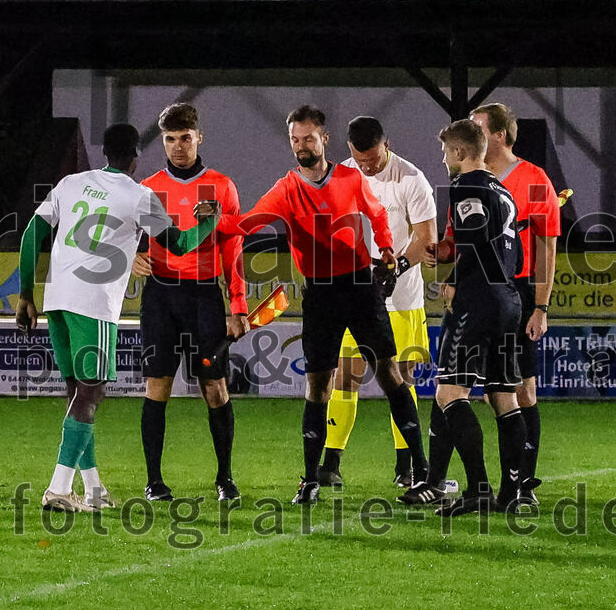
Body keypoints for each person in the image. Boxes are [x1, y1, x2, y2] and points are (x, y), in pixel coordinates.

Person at [217, 105, 429, 505]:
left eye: (308, 139)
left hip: (361, 287)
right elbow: (246, 225)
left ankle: (421, 470)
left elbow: (377, 213)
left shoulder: (349, 177)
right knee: (319, 385)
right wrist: (217, 222)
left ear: (324, 139)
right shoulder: (286, 188)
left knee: (390, 374)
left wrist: (385, 248)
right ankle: (312, 478)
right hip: (320, 295)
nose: (301, 146)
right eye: (295, 140)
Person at [16, 122, 219, 513]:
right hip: (94, 305)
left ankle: (92, 489)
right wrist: (208, 222)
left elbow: (30, 234)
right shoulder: (140, 196)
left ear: (105, 151)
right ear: (136, 157)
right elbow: (178, 244)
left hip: (56, 300)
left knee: (77, 393)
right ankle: (58, 488)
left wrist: (25, 294)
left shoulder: (70, 183)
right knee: (91, 392)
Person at [402, 118, 527, 516]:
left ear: (459, 153)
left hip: (479, 301)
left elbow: (471, 242)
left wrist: (454, 280)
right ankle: (514, 492)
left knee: (448, 392)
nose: (443, 159)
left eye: (445, 152)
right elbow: (517, 253)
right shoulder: (501, 188)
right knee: (503, 395)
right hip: (509, 298)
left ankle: (477, 489)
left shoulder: (466, 186)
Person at [132, 104, 249, 503]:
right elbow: (119, 235)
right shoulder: (147, 188)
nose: (178, 147)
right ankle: (154, 481)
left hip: (203, 294)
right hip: (161, 295)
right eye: (170, 139)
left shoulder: (221, 186)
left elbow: (233, 247)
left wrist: (238, 305)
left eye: (185, 138)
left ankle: (225, 478)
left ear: (199, 137)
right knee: (156, 385)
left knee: (214, 387)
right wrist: (128, 256)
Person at [317, 116, 437, 489]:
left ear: (386, 144)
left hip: (401, 298)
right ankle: (331, 463)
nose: (366, 166)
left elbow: (426, 237)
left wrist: (396, 266)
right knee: (346, 375)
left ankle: (407, 465)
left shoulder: (411, 179)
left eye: (372, 158)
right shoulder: (341, 177)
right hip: (355, 295)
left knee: (401, 378)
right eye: (360, 158)